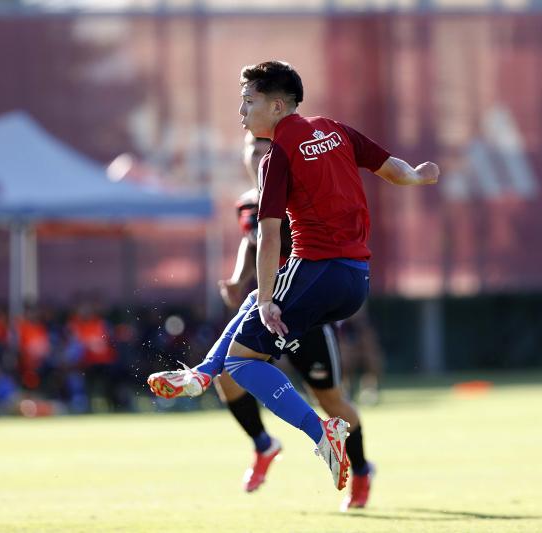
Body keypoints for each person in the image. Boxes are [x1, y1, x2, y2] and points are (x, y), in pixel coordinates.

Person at [148, 60, 438, 492]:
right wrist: (416, 177)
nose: (242, 113)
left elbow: (267, 237)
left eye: (249, 102)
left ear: (279, 106)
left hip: (314, 270)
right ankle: (202, 376)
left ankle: (322, 433)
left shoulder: (278, 156)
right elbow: (389, 165)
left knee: (243, 362)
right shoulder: (335, 130)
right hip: (354, 280)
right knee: (244, 334)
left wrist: (266, 298)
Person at [214, 132, 374, 509]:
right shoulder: (249, 203)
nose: (257, 156)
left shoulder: (297, 193)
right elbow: (252, 240)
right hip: (268, 308)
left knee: (331, 400)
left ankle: (363, 471)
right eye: (251, 149)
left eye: (265, 149)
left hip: (304, 313)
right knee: (228, 374)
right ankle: (264, 445)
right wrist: (239, 279)